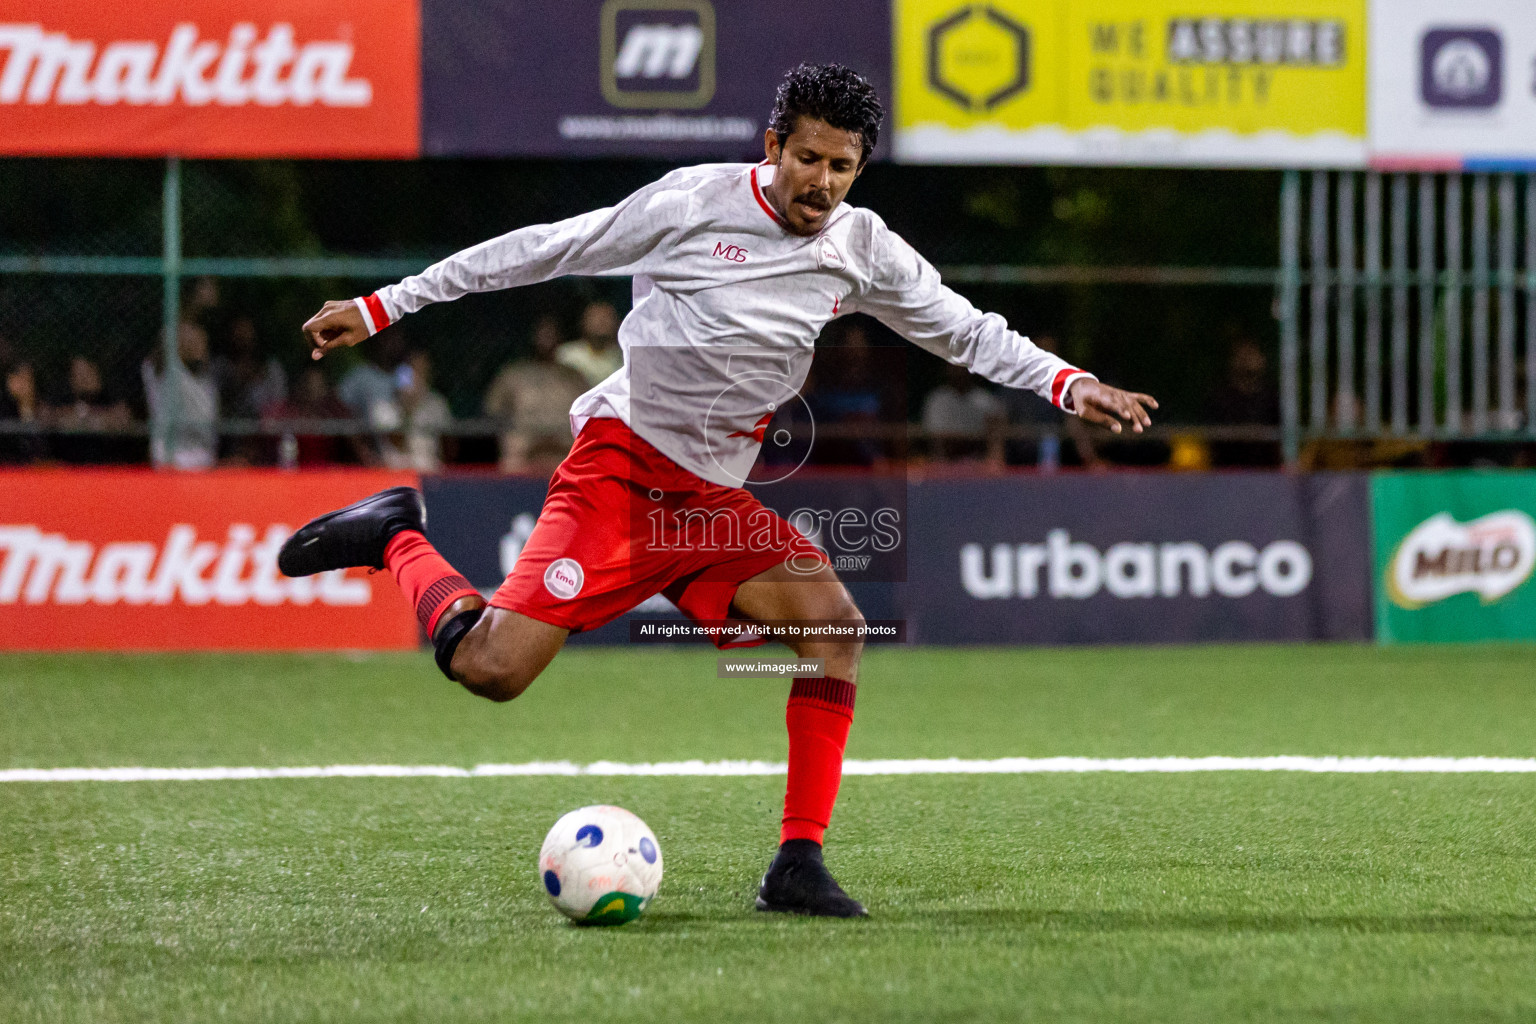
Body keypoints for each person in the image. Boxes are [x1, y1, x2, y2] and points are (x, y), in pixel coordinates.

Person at [282, 64, 1156, 918]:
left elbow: (964, 331)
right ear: (773, 144)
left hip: (710, 503)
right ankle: (394, 536)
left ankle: (797, 863)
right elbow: (542, 250)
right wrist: (385, 304)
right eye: (807, 158)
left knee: (837, 632)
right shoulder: (691, 204)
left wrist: (1066, 383)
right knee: (492, 671)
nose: (821, 183)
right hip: (619, 472)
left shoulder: (862, 248)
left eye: (841, 166)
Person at [483, 315, 590, 473]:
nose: (545, 339)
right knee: (512, 445)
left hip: (563, 444)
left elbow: (590, 413)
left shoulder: (574, 377)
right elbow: (492, 411)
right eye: (541, 333)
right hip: (524, 445)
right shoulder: (513, 374)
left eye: (550, 334)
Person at [142, 322, 219, 470]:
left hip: (203, 460)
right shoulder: (167, 372)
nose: (201, 345)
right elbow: (164, 344)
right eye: (194, 341)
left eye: (203, 341)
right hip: (171, 459)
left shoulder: (206, 381)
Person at [921, 361, 1006, 464]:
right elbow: (937, 441)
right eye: (955, 367)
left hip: (979, 462)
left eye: (962, 367)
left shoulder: (986, 400)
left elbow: (995, 441)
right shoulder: (937, 399)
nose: (959, 372)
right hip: (945, 463)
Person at [554, 301, 624, 386]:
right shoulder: (566, 354)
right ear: (583, 322)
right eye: (595, 317)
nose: (601, 321)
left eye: (606, 317)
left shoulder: (624, 358)